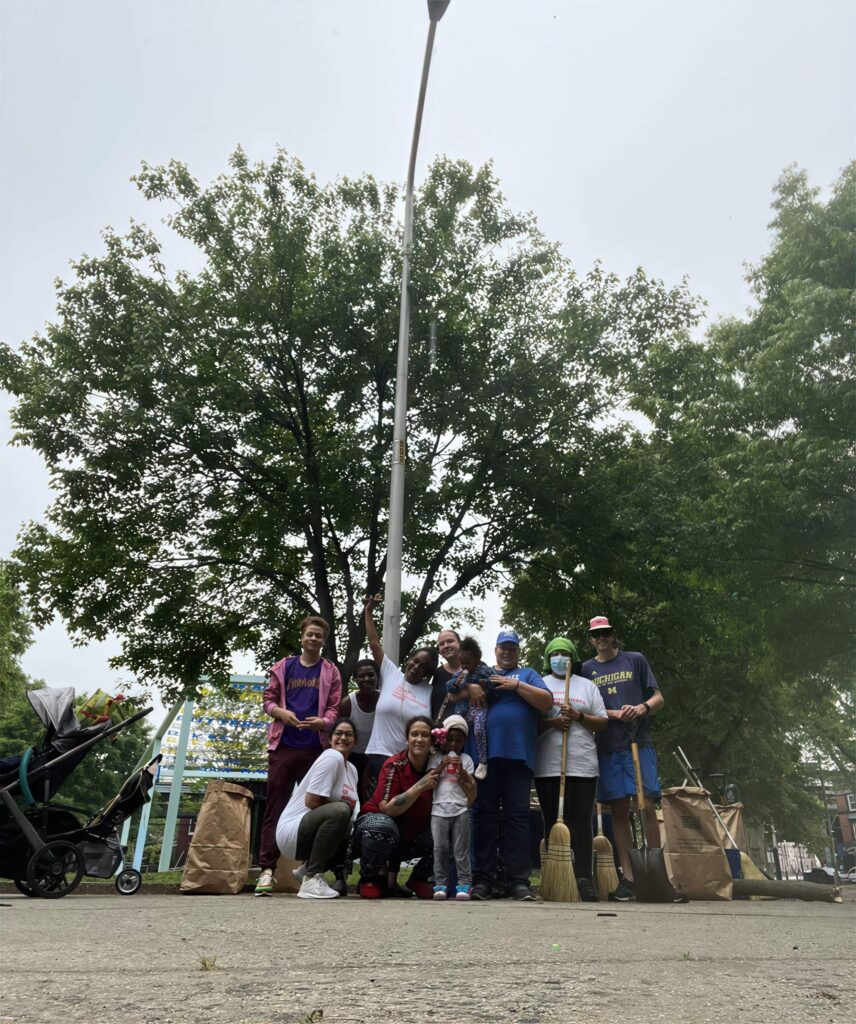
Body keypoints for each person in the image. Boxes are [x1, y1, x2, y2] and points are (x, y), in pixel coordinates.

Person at [256, 616, 343, 897]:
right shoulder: (283, 667)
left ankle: (308, 869)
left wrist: (324, 723)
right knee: (275, 806)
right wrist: (281, 713)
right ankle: (267, 870)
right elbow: (267, 700)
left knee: (314, 808)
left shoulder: (331, 671)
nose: (314, 639)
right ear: (302, 637)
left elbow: (334, 709)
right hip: (284, 746)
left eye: (319, 636)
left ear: (324, 640)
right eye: (310, 635)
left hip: (314, 748)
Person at [580, 615, 665, 902]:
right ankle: (628, 877)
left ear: (612, 636)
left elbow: (658, 698)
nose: (601, 639)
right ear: (591, 640)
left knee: (648, 806)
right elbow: (588, 708)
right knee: (618, 811)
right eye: (596, 635)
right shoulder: (586, 669)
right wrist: (612, 714)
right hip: (607, 746)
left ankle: (656, 873)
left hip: (638, 742)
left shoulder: (635, 660)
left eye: (606, 634)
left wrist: (642, 708)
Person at [470, 627, 552, 902]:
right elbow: (460, 685)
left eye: (512, 647)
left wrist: (516, 686)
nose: (507, 651)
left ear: (518, 651)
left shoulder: (528, 674)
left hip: (519, 756)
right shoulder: (483, 673)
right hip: (485, 758)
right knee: (484, 818)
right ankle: (483, 881)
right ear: (495, 650)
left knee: (518, 819)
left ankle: (519, 882)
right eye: (503, 647)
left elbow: (547, 702)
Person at [535, 636, 608, 902]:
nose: (560, 658)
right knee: (551, 821)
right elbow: (530, 726)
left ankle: (583, 878)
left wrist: (578, 716)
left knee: (580, 824)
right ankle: (554, 876)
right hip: (548, 767)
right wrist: (554, 722)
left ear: (573, 657)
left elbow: (602, 722)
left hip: (582, 766)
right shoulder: (540, 685)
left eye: (565, 653)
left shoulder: (587, 686)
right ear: (547, 657)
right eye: (555, 653)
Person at [353, 715, 439, 899]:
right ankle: (371, 877)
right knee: (384, 825)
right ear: (407, 738)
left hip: (410, 833)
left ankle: (419, 878)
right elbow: (388, 809)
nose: (419, 739)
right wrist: (420, 786)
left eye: (425, 735)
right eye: (414, 734)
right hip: (375, 827)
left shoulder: (436, 766)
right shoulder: (394, 764)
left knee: (452, 828)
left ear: (432, 740)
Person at [274, 717, 360, 899]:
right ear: (330, 739)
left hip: (313, 831)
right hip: (293, 831)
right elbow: (312, 801)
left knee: (356, 828)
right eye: (338, 733)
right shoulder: (332, 756)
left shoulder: (351, 769)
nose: (343, 737)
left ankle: (304, 871)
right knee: (341, 811)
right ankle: (312, 879)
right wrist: (343, 809)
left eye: (349, 734)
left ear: (355, 741)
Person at [362, 595, 438, 796]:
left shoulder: (430, 693)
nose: (416, 667)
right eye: (415, 660)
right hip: (380, 756)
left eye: (423, 667)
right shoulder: (391, 673)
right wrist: (368, 612)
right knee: (378, 808)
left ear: (428, 674)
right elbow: (374, 642)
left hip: (411, 762)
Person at [428, 714, 477, 900]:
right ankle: (440, 883)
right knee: (440, 847)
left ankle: (464, 884)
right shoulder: (435, 758)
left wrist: (461, 770)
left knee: (461, 849)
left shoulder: (466, 759)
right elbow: (430, 779)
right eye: (450, 739)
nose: (454, 744)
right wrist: (441, 766)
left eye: (459, 740)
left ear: (464, 741)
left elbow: (470, 784)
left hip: (461, 808)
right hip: (438, 809)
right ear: (443, 739)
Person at [441, 636, 496, 779]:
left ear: (477, 658)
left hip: (479, 709)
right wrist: (459, 684)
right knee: (456, 734)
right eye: (462, 662)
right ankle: (453, 759)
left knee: (478, 730)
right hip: (463, 712)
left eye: (468, 662)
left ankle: (483, 762)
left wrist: (485, 685)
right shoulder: (460, 674)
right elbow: (449, 688)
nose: (464, 665)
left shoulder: (485, 671)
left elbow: (495, 685)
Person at [339, 659, 379, 800]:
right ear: (355, 679)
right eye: (361, 676)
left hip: (377, 757)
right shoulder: (347, 703)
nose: (366, 679)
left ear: (377, 677)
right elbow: (339, 735)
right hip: (353, 757)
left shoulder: (384, 701)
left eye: (370, 675)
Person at [432, 628, 462, 720]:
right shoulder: (437, 674)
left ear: (460, 644)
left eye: (450, 641)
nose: (446, 645)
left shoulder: (476, 666)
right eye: (441, 644)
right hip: (442, 731)